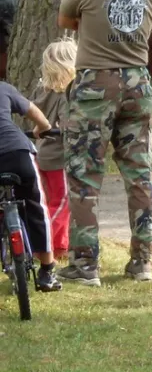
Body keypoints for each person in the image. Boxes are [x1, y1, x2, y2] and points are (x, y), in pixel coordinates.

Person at [57, 0, 152, 286]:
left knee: (85, 175)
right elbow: (147, 29)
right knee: (140, 175)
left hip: (94, 86)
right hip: (138, 83)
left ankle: (86, 265)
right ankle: (143, 260)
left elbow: (64, 20)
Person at [0, 76, 62, 292]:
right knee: (36, 207)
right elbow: (34, 113)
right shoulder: (4, 88)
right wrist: (42, 128)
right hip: (16, 151)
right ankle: (47, 272)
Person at [21, 38, 78, 260]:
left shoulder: (41, 91)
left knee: (46, 202)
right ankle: (47, 246)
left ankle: (60, 244)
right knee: (62, 202)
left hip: (41, 154)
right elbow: (66, 124)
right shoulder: (66, 94)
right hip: (58, 158)